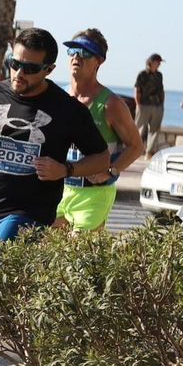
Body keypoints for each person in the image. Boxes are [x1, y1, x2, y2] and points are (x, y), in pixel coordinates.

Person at [0, 27, 109, 366]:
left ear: (49, 69)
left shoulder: (66, 110)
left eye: (30, 68)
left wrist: (65, 168)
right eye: (14, 63)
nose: (19, 73)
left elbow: (101, 158)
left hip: (30, 213)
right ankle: (46, 356)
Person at [55, 30, 141, 232]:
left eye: (85, 52)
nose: (77, 56)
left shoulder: (111, 104)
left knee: (79, 258)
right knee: (47, 253)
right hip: (59, 189)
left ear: (99, 61)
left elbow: (136, 146)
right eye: (73, 50)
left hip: (93, 194)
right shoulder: (58, 97)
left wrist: (111, 171)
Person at [133, 53, 165, 156]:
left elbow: (161, 90)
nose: (159, 64)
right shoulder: (143, 74)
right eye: (157, 62)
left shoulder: (159, 75)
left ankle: (149, 152)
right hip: (144, 105)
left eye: (160, 62)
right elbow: (137, 89)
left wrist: (162, 104)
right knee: (139, 128)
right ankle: (134, 150)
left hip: (157, 106)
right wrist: (138, 104)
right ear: (151, 62)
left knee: (154, 129)